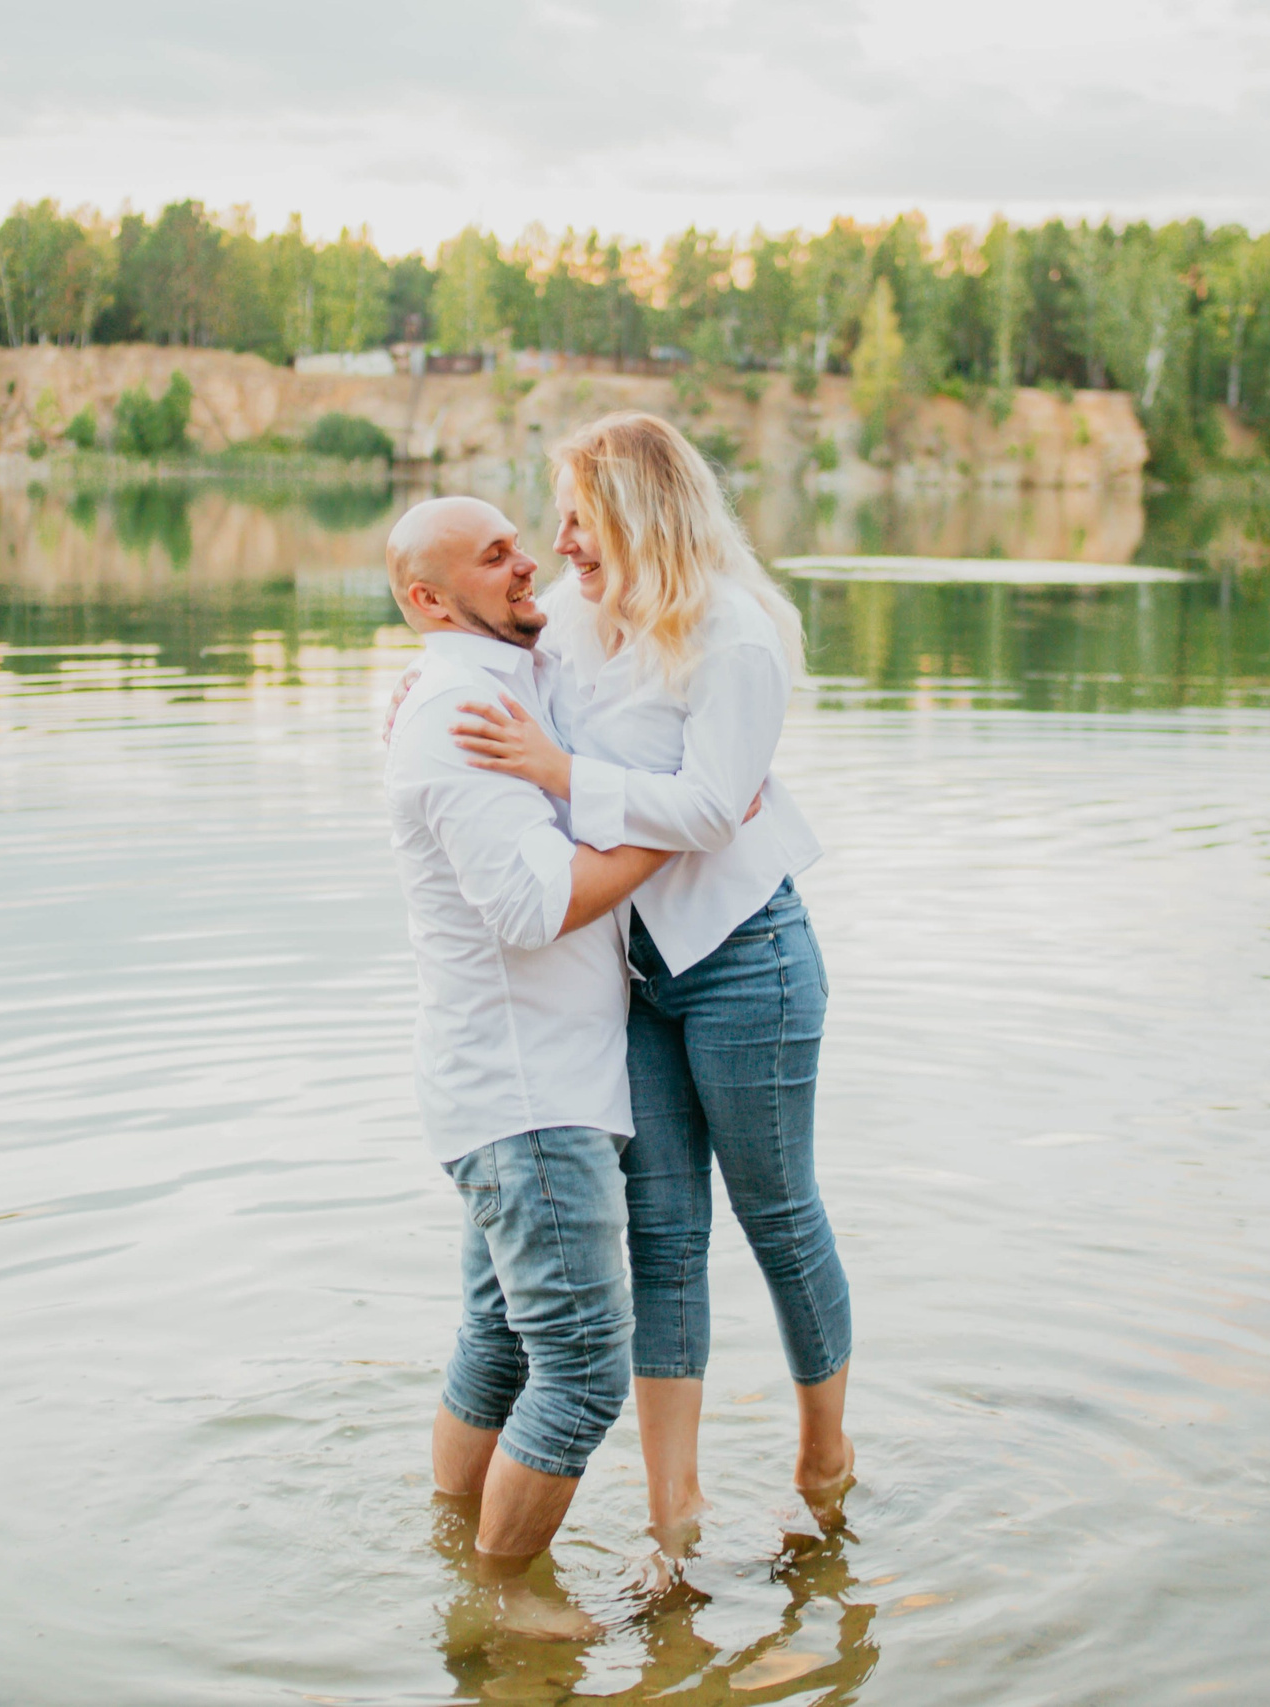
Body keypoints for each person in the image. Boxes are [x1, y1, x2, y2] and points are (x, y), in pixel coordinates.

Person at [450, 413, 853, 1550]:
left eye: (580, 513)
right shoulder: (576, 620)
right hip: (633, 971)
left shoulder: (735, 635)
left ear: (636, 511)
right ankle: (674, 1515)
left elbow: (717, 808)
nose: (561, 540)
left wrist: (561, 772)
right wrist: (419, 705)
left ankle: (824, 1445)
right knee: (662, 1236)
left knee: (777, 1218)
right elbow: (490, 667)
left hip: (747, 963)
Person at [382, 494, 675, 1638]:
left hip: (511, 1086)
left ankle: (458, 1547)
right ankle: (500, 1602)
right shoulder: (454, 711)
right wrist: (677, 827)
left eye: (519, 542)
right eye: (493, 556)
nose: (525, 566)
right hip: (526, 1102)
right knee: (586, 1369)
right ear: (425, 599)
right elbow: (531, 903)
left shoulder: (504, 673)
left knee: (499, 1345)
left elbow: (608, 629)